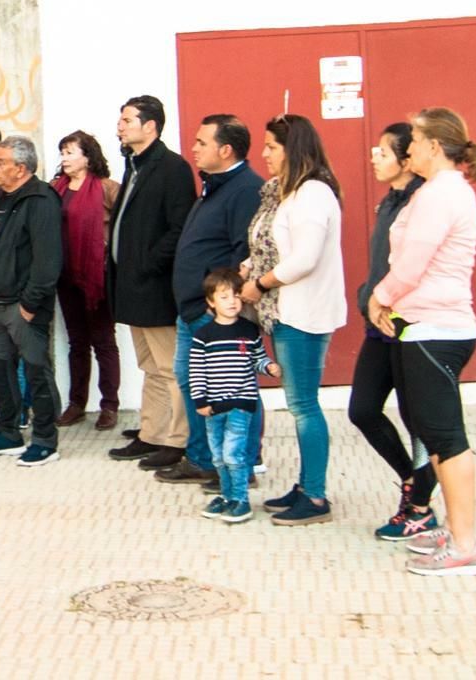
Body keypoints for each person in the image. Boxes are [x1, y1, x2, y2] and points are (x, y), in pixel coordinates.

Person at [368, 107, 476, 576]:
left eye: (415, 140)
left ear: (435, 147)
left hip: (437, 331)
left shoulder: (442, 195)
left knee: (446, 438)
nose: (410, 147)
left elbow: (412, 264)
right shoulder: (437, 192)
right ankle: (454, 530)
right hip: (423, 328)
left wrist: (379, 298)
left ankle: (466, 547)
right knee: (435, 436)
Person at [240, 114, 346, 527]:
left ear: (293, 149)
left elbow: (304, 257)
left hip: (304, 312)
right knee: (299, 403)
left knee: (304, 406)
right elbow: (271, 244)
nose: (264, 154)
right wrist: (249, 267)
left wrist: (261, 284)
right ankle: (305, 486)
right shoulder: (287, 193)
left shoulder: (313, 193)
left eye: (271, 146)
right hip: (285, 308)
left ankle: (316, 496)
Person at [160, 115, 264, 486]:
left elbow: (243, 254)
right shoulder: (214, 186)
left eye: (202, 142)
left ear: (226, 149)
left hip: (214, 312)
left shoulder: (246, 189)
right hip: (191, 309)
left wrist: (221, 302)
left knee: (233, 389)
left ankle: (241, 465)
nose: (194, 147)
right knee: (193, 383)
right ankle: (203, 458)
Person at [348, 123, 436, 542]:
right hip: (377, 323)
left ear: (407, 159)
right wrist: (366, 297)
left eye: (382, 152)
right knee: (363, 409)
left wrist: (381, 300)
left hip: (409, 324)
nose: (373, 157)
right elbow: (380, 264)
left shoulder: (422, 202)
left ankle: (420, 506)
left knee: (417, 418)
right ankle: (410, 480)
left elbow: (415, 268)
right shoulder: (389, 203)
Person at [106, 95, 197, 469]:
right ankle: (152, 433)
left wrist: (145, 264)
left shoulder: (172, 168)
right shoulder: (135, 165)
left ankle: (176, 440)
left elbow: (180, 229)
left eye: (127, 120)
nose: (120, 126)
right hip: (132, 286)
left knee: (169, 368)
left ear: (150, 126)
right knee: (149, 366)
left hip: (155, 287)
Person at [0, 136, 64, 466]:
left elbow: (47, 260)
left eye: (1, 162)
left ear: (21, 168)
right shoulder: (2, 200)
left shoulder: (40, 200)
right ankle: (7, 432)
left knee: (37, 371)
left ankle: (45, 440)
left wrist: (30, 303)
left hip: (23, 306)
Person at [190, 267, 281, 524]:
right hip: (213, 406)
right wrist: (201, 400)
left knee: (234, 454)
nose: (232, 302)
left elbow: (257, 359)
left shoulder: (248, 331)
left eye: (236, 296)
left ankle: (241, 500)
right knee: (217, 455)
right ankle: (227, 495)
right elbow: (196, 370)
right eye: (224, 297)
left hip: (241, 403)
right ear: (211, 302)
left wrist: (269, 367)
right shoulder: (203, 336)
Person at [50, 131, 122, 431]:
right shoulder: (56, 189)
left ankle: (109, 406)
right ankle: (76, 403)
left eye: (70, 152)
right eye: (62, 153)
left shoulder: (108, 189)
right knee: (77, 342)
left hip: (97, 277)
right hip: (66, 277)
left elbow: (121, 232)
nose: (65, 158)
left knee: (103, 342)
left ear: (88, 156)